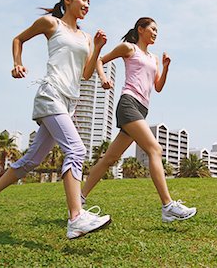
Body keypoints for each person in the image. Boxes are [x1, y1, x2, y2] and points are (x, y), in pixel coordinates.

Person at [0, 0, 112, 239]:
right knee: (76, 150)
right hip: (51, 94)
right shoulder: (51, 24)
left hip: (69, 102)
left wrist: (99, 48)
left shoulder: (85, 37)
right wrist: (17, 63)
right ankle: (76, 217)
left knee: (31, 161)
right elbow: (18, 39)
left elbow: (87, 73)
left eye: (89, 2)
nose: (87, 5)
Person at [81, 17, 197, 223]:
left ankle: (79, 198)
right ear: (140, 29)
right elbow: (100, 60)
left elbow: (158, 86)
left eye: (157, 30)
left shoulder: (152, 58)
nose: (155, 33)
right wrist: (103, 77)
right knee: (155, 149)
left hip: (142, 109)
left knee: (109, 158)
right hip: (128, 104)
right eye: (152, 29)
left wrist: (166, 67)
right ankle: (168, 206)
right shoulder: (129, 48)